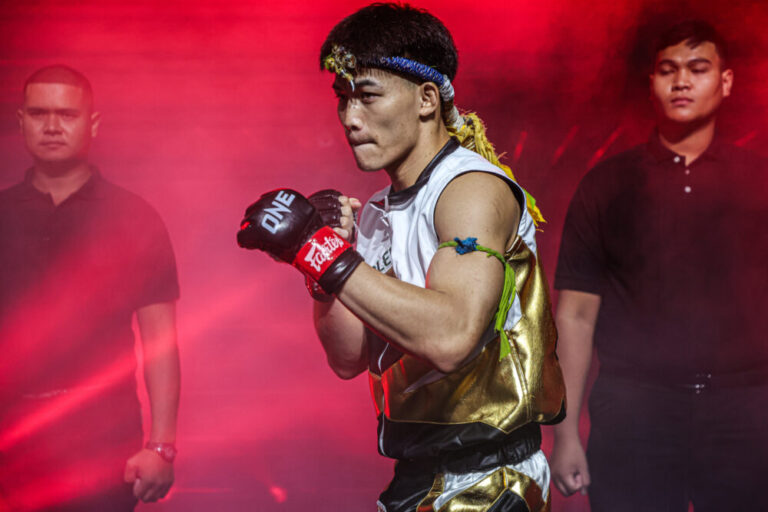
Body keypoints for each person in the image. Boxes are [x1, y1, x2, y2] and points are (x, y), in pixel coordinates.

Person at [237, 4, 565, 511]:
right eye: (342, 98)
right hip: (419, 477)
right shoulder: (374, 211)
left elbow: (452, 336)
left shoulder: (469, 190)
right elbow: (348, 359)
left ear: (427, 99)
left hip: (492, 482)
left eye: (367, 96)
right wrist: (319, 270)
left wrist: (322, 252)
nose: (350, 118)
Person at [550, 20, 768, 511]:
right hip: (634, 411)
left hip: (746, 411)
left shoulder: (759, 180)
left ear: (726, 81)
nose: (682, 82)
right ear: (651, 84)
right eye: (668, 70)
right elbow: (575, 315)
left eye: (698, 68)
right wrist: (565, 436)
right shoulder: (607, 185)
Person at [0, 65, 180, 510]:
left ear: (93, 124)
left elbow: (161, 343)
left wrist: (161, 447)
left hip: (103, 440)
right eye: (39, 113)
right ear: (20, 120)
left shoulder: (134, 217)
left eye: (67, 114)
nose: (53, 126)